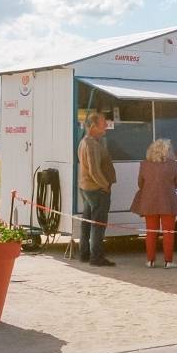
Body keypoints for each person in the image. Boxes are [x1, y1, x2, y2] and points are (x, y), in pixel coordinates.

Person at [133, 139, 177, 269]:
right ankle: (168, 261)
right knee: (168, 232)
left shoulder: (144, 164)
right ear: (166, 151)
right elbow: (176, 183)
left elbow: (140, 184)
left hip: (149, 202)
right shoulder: (172, 164)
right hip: (168, 202)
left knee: (151, 232)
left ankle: (150, 261)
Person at [77, 112, 117, 267]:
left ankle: (84, 254)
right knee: (98, 225)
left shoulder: (85, 141)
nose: (106, 126)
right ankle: (96, 257)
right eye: (103, 124)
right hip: (96, 189)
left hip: (87, 188)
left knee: (87, 223)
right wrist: (105, 185)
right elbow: (94, 170)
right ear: (93, 126)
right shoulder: (91, 144)